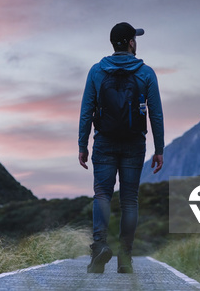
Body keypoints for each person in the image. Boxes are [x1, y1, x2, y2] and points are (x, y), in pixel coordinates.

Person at [78, 22, 164, 274]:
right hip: (134, 143)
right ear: (130, 42)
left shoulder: (96, 71)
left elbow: (86, 111)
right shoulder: (146, 73)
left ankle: (100, 247)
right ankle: (125, 257)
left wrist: (83, 144)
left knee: (102, 195)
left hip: (104, 142)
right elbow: (156, 114)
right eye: (134, 39)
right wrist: (159, 149)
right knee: (129, 200)